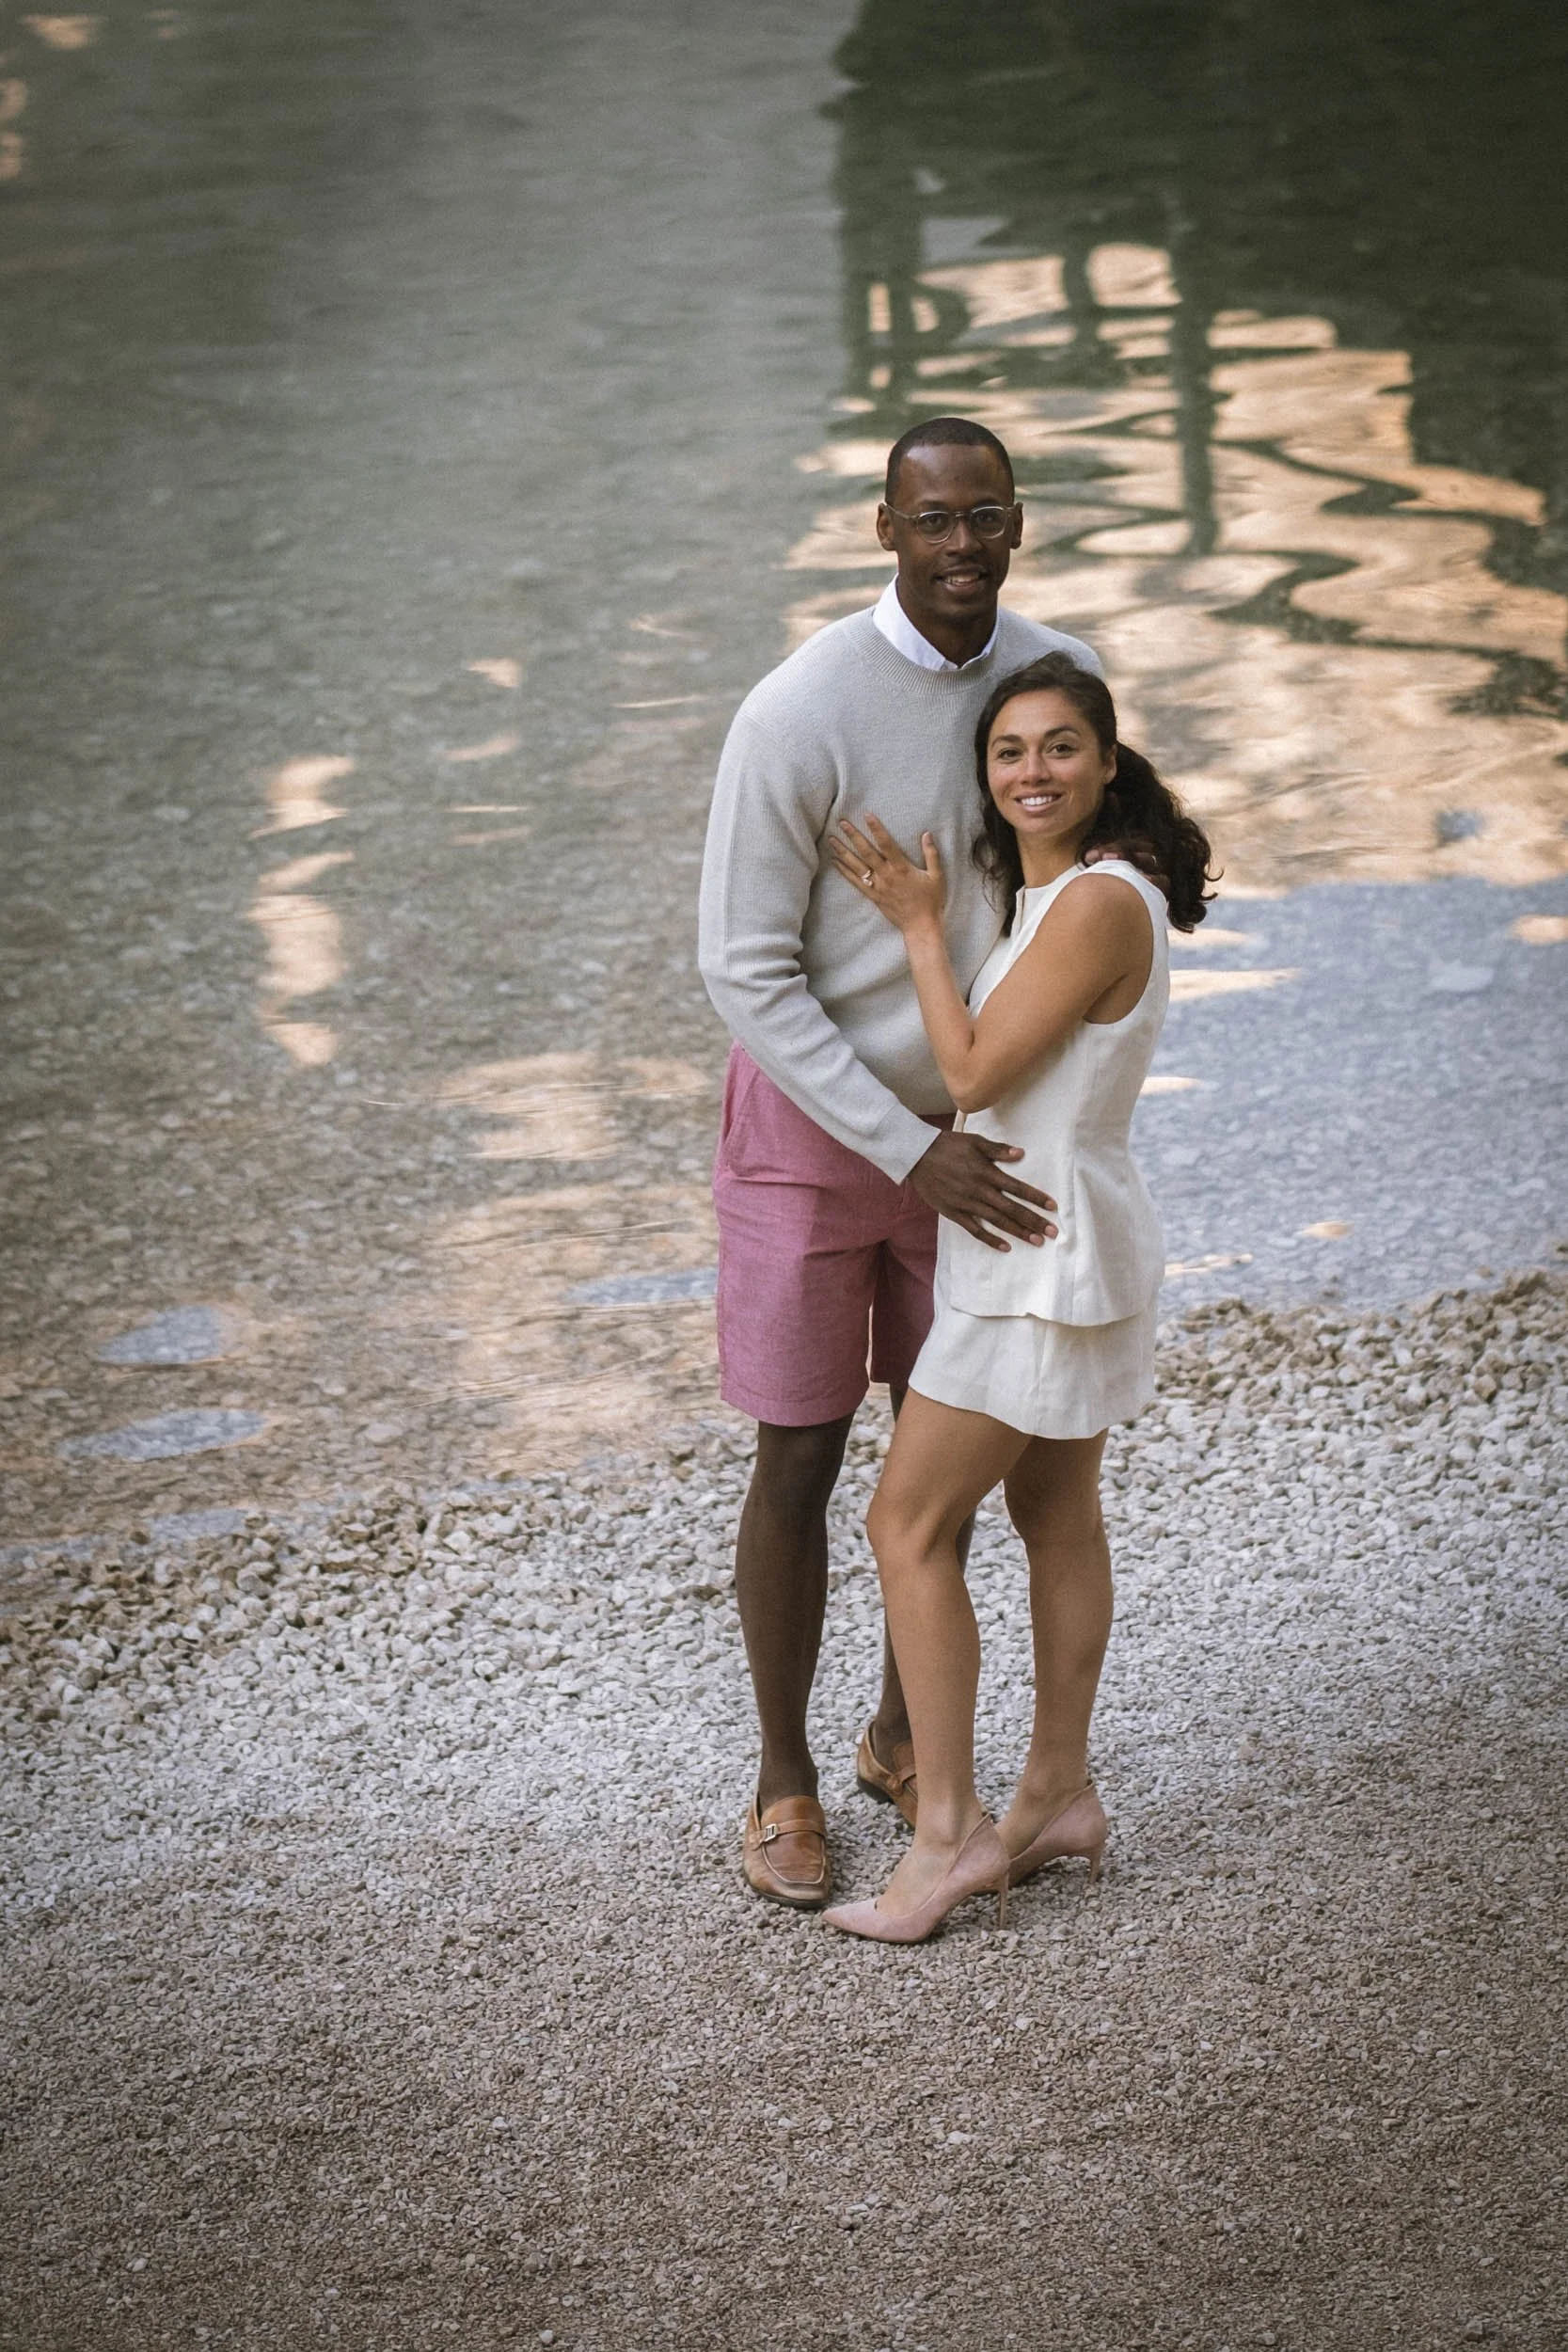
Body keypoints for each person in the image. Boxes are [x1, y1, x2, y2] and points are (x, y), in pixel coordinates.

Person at [698, 417, 1102, 1910]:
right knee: (799, 1453)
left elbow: (1097, 892)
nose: (959, 545)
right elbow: (740, 969)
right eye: (930, 520)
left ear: (1015, 523)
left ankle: (893, 1738)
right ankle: (782, 1783)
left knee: (947, 1453)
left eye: (983, 517)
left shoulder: (1046, 686)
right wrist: (897, 1146)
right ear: (884, 527)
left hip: (980, 1144)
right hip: (815, 1140)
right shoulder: (797, 709)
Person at [819, 655, 1214, 1943]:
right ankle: (1054, 1796)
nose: (1030, 772)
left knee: (906, 1523)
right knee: (1051, 1505)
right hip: (1054, 1236)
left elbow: (976, 1071)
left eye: (1058, 748)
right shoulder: (1066, 902)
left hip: (1038, 1254)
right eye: (1007, 753)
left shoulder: (1099, 903)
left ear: (1107, 764)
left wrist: (920, 930)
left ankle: (944, 1840)